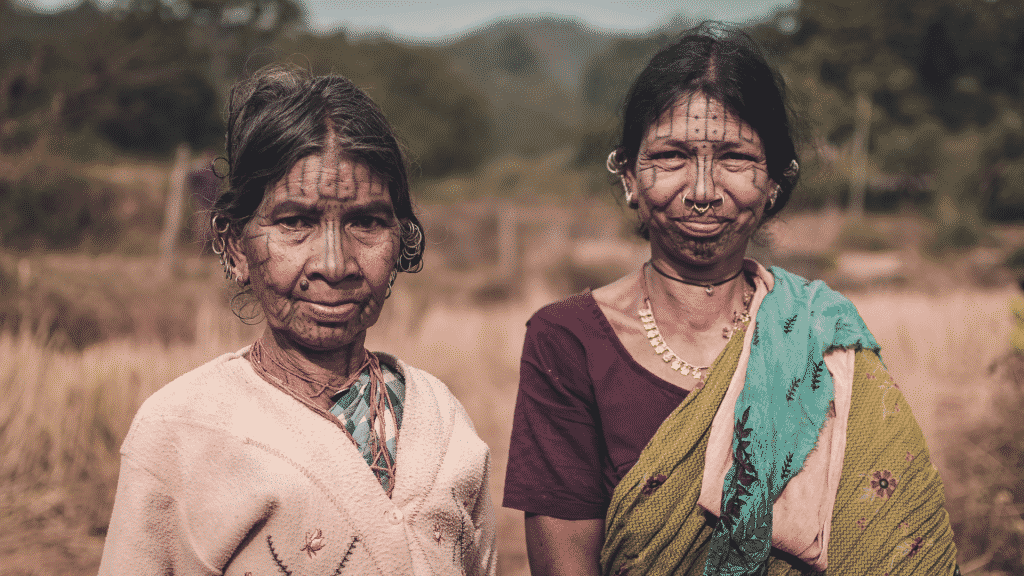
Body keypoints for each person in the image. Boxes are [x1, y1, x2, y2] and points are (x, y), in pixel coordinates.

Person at [503, 24, 960, 576]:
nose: (701, 191)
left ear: (775, 181)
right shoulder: (569, 340)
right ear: (628, 176)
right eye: (671, 156)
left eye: (735, 158)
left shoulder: (821, 334)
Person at [98, 66, 496, 576]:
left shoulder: (445, 423)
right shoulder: (180, 431)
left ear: (400, 240)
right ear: (238, 246)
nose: (334, 264)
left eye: (367, 222)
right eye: (294, 222)